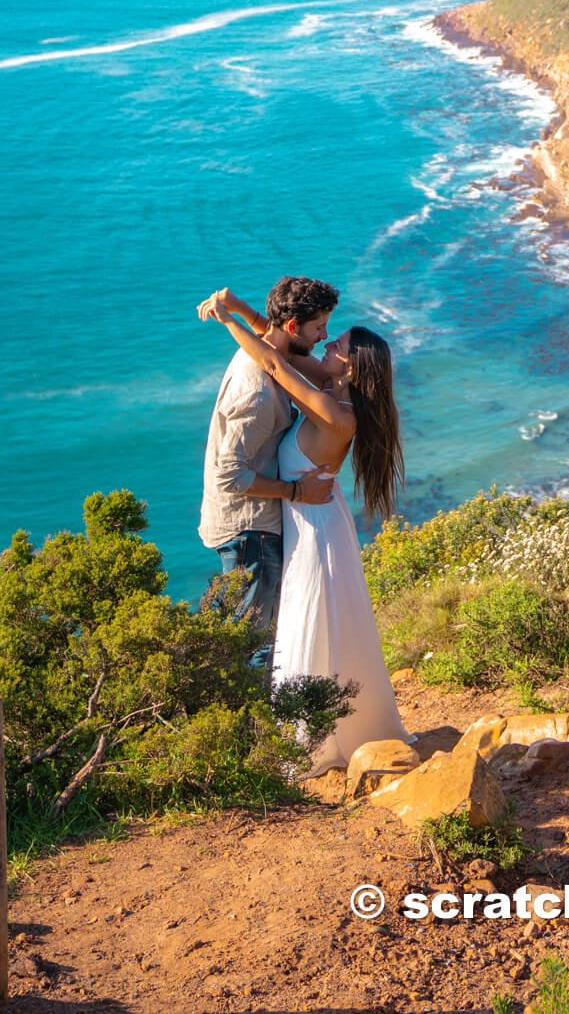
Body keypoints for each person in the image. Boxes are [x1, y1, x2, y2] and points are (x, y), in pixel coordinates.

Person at [200, 289, 410, 772]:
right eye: (324, 334)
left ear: (350, 368)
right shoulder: (332, 386)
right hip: (307, 517)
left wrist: (225, 321)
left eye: (336, 344)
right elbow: (280, 345)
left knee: (303, 622)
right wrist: (246, 310)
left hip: (312, 523)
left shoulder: (334, 412)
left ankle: (296, 736)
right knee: (303, 623)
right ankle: (307, 723)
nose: (326, 345)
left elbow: (275, 366)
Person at [197, 276, 339, 668]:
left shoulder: (265, 354)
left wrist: (237, 308)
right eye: (318, 327)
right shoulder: (258, 393)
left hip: (248, 528)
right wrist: (296, 492)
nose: (324, 336)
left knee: (243, 636)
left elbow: (271, 341)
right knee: (253, 643)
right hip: (249, 532)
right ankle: (249, 727)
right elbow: (231, 476)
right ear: (294, 328)